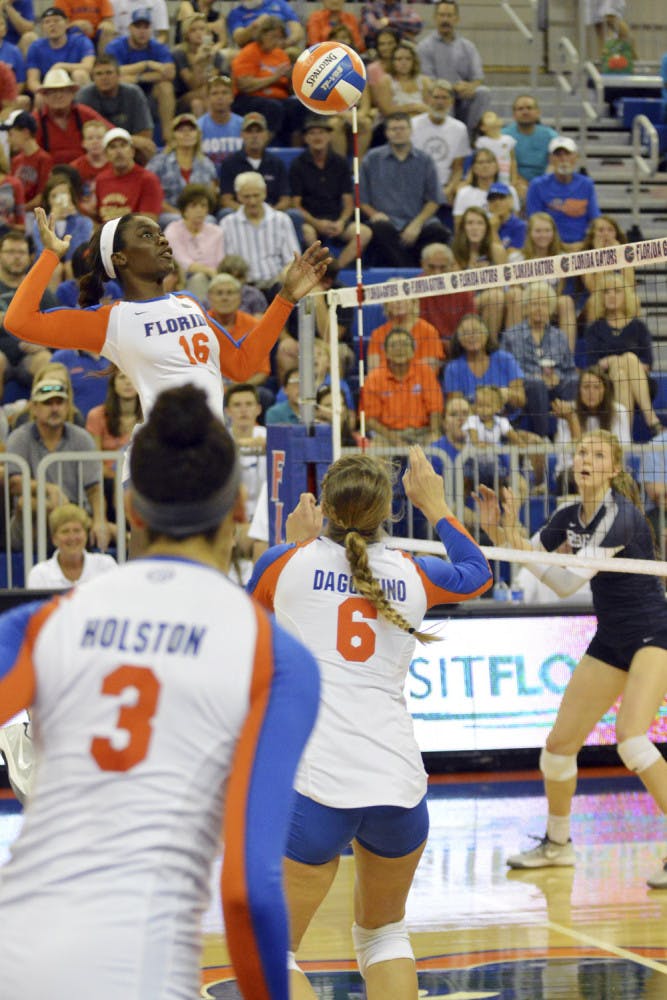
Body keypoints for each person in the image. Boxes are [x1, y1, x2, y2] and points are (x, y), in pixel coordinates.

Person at [0, 381, 320, 999]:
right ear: (236, 510)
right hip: (134, 970)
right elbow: (249, 891)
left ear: (131, 510)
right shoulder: (276, 660)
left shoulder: (44, 623)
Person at [248, 447, 492, 998]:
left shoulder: (284, 563)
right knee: (384, 935)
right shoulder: (413, 571)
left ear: (327, 507)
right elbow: (479, 573)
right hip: (399, 785)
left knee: (272, 954)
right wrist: (435, 505)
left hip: (316, 786)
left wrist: (291, 542)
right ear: (388, 511)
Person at [475, 429, 667, 890]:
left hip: (654, 635)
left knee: (631, 739)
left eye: (598, 453)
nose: (586, 457)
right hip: (612, 638)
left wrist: (511, 541)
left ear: (615, 469)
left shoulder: (620, 519)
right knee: (559, 748)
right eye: (582, 450)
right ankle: (558, 844)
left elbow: (562, 584)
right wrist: (498, 529)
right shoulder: (568, 515)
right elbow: (528, 554)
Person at [4, 207, 329, 462]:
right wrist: (49, 255)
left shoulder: (189, 303)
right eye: (147, 235)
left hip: (211, 452)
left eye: (160, 233)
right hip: (159, 455)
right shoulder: (113, 319)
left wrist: (285, 299)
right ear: (120, 258)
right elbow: (18, 321)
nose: (162, 240)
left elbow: (242, 366)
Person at [5, 371, 109, 549]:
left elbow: (95, 488)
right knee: (27, 504)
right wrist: (48, 489)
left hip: (76, 513)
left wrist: (100, 521)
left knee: (94, 523)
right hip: (33, 519)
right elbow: (14, 483)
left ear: (68, 407)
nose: (54, 408)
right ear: (34, 408)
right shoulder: (18, 437)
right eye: (47, 403)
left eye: (59, 402)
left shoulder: (82, 438)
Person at [359, 111, 450, 268]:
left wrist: (417, 224)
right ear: (386, 133)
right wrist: (374, 214)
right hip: (387, 223)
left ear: (410, 130)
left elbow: (434, 200)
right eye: (393, 129)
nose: (398, 132)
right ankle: (410, 273)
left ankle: (409, 269)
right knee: (379, 229)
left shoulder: (425, 160)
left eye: (402, 128)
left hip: (418, 222)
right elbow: (361, 199)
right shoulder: (372, 159)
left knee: (439, 232)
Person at [584, 269, 661, 436]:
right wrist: (613, 362)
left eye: (617, 291)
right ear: (601, 298)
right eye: (606, 292)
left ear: (626, 296)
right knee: (620, 373)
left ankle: (628, 432)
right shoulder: (594, 329)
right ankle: (651, 421)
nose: (611, 295)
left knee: (629, 359)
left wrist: (623, 361)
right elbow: (591, 367)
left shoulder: (638, 327)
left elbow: (647, 364)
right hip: (605, 385)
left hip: (642, 384)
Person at [289, 116, 372, 271]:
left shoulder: (340, 163)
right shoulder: (298, 164)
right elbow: (295, 204)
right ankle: (318, 269)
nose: (317, 137)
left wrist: (341, 222)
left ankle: (335, 269)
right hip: (311, 220)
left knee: (364, 232)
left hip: (336, 219)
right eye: (312, 133)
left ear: (329, 136)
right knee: (307, 232)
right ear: (306, 138)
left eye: (321, 132)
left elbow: (348, 201)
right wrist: (316, 223)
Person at [501, 281, 578, 438]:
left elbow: (570, 371)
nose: (539, 308)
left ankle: (565, 435)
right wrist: (535, 377)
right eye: (534, 303)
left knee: (574, 381)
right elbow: (505, 372)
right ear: (526, 307)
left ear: (550, 308)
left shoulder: (559, 336)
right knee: (537, 384)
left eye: (544, 304)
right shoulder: (511, 336)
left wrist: (558, 377)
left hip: (555, 389)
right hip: (526, 390)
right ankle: (542, 438)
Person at [552, 364, 631, 495]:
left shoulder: (618, 412)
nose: (591, 392)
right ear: (579, 390)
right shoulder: (567, 412)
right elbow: (566, 459)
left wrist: (598, 467)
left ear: (605, 390)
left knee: (621, 480)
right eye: (586, 387)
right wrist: (572, 421)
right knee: (569, 478)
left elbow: (621, 451)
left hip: (608, 471)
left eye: (596, 387)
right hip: (574, 474)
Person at [417, 0, 490, 136]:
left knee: (483, 92)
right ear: (435, 18)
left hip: (463, 96)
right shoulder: (424, 47)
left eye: (449, 16)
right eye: (442, 15)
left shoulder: (468, 46)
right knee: (443, 97)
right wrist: (451, 87)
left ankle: (467, 136)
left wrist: (470, 86)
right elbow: (427, 80)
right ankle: (447, 135)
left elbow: (478, 77)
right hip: (438, 94)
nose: (445, 19)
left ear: (456, 19)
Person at [219, 170, 301, 292]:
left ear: (264, 193)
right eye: (247, 196)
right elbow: (225, 262)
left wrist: (283, 277)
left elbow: (293, 260)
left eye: (256, 195)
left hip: (277, 284)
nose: (252, 201)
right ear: (238, 196)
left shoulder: (281, 220)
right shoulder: (227, 223)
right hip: (242, 287)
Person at [231, 17, 305, 148]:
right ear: (262, 35)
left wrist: (291, 79)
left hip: (278, 97)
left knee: (297, 106)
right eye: (273, 37)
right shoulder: (249, 52)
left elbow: (288, 89)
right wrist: (274, 78)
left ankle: (295, 151)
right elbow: (244, 85)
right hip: (249, 98)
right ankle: (261, 148)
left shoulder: (281, 55)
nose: (277, 41)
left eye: (280, 38)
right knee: (273, 107)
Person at [105, 7, 176, 144]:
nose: (142, 31)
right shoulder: (116, 46)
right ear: (130, 28)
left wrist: (139, 77)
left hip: (150, 90)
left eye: (146, 27)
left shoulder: (158, 47)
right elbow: (112, 71)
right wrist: (147, 65)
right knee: (123, 81)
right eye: (138, 27)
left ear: (151, 29)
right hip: (123, 91)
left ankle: (168, 138)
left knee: (166, 87)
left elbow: (170, 73)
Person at [364, 327, 443, 445]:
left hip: (422, 433)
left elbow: (435, 409)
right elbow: (370, 419)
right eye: (394, 345)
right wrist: (395, 440)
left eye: (404, 344)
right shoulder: (374, 378)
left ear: (413, 350)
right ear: (385, 352)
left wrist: (434, 432)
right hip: (387, 435)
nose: (399, 349)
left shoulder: (425, 372)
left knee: (436, 442)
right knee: (376, 447)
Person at [0, 229, 55, 392]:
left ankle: (45, 414)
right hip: (2, 352)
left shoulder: (39, 290)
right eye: (10, 252)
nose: (17, 257)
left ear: (30, 257)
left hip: (31, 357)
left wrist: (43, 343)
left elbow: (57, 326)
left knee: (47, 360)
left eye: (22, 252)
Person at [77, 54, 157, 165]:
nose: (104, 77)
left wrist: (123, 143)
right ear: (93, 78)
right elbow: (85, 135)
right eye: (99, 74)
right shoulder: (84, 96)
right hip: (97, 147)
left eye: (109, 73)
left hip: (127, 146)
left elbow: (145, 135)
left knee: (147, 147)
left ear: (119, 75)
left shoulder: (133, 93)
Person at [525, 136, 600, 251]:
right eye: (558, 155)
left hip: (581, 246)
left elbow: (595, 220)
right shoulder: (537, 185)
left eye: (567, 154)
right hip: (548, 248)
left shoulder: (586, 184)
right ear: (550, 159)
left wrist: (586, 244)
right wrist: (560, 247)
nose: (563, 159)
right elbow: (535, 223)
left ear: (576, 157)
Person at [443, 313, 526, 414]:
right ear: (459, 339)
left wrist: (508, 394)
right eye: (466, 333)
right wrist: (486, 403)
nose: (472, 336)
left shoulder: (504, 359)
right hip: (472, 424)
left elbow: (521, 400)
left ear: (486, 334)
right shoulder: (453, 368)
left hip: (510, 422)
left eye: (476, 331)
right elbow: (456, 409)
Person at [518, 212, 577, 350]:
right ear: (530, 233)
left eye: (547, 231)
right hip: (525, 305)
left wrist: (544, 303)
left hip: (551, 303)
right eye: (538, 231)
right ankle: (517, 354)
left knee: (566, 301)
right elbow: (516, 289)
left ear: (553, 233)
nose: (543, 235)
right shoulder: (518, 258)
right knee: (515, 295)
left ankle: (567, 358)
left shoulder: (562, 258)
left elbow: (560, 290)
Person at [147, 112, 218, 225]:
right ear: (173, 135)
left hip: (199, 214)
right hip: (168, 214)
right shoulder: (158, 162)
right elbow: (149, 193)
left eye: (191, 129)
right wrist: (180, 215)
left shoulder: (207, 164)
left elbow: (211, 196)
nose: (186, 133)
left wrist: (196, 213)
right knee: (172, 220)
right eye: (181, 130)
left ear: (198, 134)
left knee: (210, 221)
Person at [411, 79, 471, 212]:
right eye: (436, 97)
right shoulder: (413, 125)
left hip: (445, 187)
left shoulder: (459, 129)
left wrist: (449, 189)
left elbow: (458, 168)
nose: (440, 102)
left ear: (451, 101)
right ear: (427, 100)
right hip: (417, 188)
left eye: (444, 98)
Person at [26, 501, 117, 588]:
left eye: (77, 531)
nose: (72, 537)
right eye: (65, 531)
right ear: (54, 539)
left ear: (86, 535)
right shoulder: (39, 574)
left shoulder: (106, 565)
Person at [35, 65, 111, 165]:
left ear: (72, 94)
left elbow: (111, 133)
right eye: (52, 91)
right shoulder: (36, 120)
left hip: (85, 174)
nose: (58, 95)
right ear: (44, 96)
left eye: (63, 90)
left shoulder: (84, 112)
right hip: (52, 176)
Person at [451, 206, 507, 337]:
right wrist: (476, 277)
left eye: (480, 223)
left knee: (503, 296)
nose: (474, 228)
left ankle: (505, 344)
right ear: (463, 228)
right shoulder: (454, 253)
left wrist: (488, 278)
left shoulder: (497, 251)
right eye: (470, 223)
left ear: (486, 228)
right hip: (464, 304)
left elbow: (503, 286)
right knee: (495, 296)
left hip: (494, 299)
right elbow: (457, 292)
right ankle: (489, 345)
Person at [163, 183, 223, 299]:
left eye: (203, 206)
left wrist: (213, 274)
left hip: (213, 279)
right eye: (193, 206)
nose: (199, 210)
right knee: (198, 279)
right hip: (182, 280)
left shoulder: (217, 232)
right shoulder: (173, 230)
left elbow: (220, 262)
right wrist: (209, 271)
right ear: (184, 210)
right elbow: (183, 262)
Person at [94, 126, 164, 222]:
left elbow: (148, 222)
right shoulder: (101, 179)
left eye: (123, 145)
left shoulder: (148, 179)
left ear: (132, 151)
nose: (118, 151)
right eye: (113, 147)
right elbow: (97, 218)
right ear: (106, 154)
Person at [418, 243, 476, 352]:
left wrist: (456, 344)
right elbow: (418, 331)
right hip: (427, 347)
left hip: (459, 346)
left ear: (452, 266)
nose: (437, 273)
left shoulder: (464, 290)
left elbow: (471, 324)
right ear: (422, 264)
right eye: (431, 267)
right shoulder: (414, 291)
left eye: (443, 268)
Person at [25, 4, 95, 94]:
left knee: (80, 74)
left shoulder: (81, 41)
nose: (52, 25)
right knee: (39, 96)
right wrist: (43, 91)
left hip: (73, 85)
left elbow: (88, 66)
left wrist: (61, 66)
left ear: (67, 24)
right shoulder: (36, 47)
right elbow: (32, 81)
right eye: (47, 22)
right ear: (42, 27)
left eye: (56, 21)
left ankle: (80, 107)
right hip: (49, 88)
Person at [502, 94, 558, 199]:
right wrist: (519, 183)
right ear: (514, 114)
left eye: (529, 108)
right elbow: (503, 165)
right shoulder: (504, 136)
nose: (525, 112)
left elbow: (554, 164)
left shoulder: (551, 136)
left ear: (538, 112)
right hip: (514, 181)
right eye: (520, 109)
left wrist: (540, 184)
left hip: (545, 182)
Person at [4, 109, 53, 212]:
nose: (8, 140)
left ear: (26, 133)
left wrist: (18, 210)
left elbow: (41, 198)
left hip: (34, 217)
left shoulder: (44, 159)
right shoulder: (16, 160)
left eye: (11, 134)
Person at [197, 73, 243, 170]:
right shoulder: (198, 127)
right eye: (215, 93)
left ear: (232, 97)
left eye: (224, 93)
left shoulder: (243, 125)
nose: (220, 97)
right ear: (208, 98)